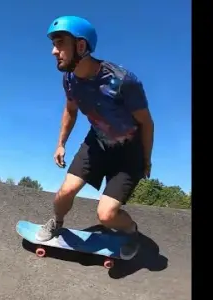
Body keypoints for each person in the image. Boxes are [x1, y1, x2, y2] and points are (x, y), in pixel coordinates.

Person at [35, 16, 154, 260]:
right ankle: (57, 223)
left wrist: (146, 159)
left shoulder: (123, 81)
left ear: (80, 46)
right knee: (64, 194)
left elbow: (146, 122)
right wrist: (61, 143)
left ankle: (131, 232)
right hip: (96, 144)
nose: (53, 51)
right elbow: (70, 109)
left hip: (128, 152)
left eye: (59, 43)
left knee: (107, 215)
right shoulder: (69, 80)